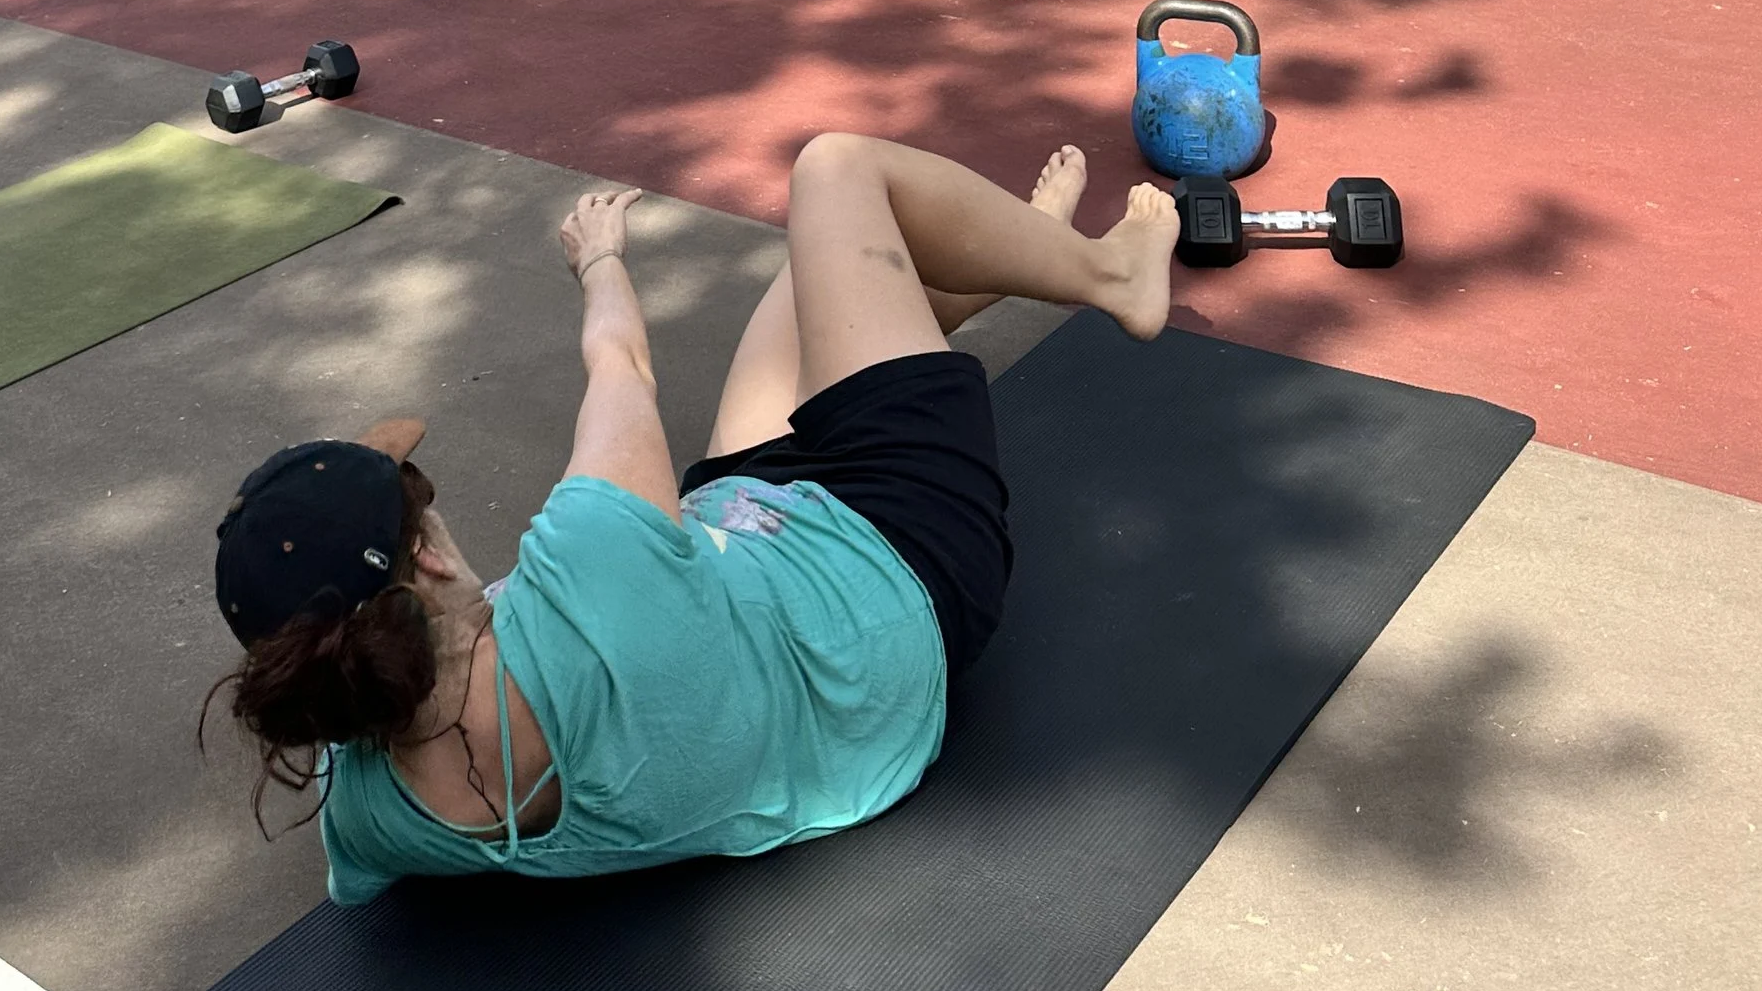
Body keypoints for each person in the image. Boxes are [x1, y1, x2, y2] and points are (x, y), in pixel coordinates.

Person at [206, 137, 1179, 901]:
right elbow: (619, 364)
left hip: (741, 556)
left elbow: (354, 858)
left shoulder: (375, 818)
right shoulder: (587, 570)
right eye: (416, 489)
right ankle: (1099, 272)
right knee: (836, 175)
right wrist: (600, 259)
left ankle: (1016, 252)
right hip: (890, 572)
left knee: (826, 280)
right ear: (424, 561)